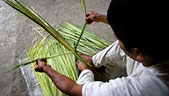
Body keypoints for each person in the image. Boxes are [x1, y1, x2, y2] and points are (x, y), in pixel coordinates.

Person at [35, 0, 169, 96]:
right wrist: (100, 18)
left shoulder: (141, 88)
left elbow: (73, 89)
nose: (118, 41)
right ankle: (93, 61)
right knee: (123, 45)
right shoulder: (155, 40)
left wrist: (46, 68)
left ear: (138, 53)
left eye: (119, 38)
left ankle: (88, 66)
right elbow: (139, 23)